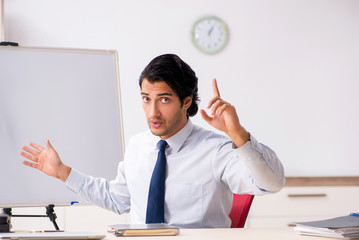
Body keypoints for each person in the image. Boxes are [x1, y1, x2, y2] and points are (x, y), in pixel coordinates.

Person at [21, 54, 285, 228]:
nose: (152, 112)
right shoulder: (138, 146)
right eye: (146, 98)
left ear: (187, 101)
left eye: (164, 99)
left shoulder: (216, 149)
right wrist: (63, 173)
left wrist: (237, 133)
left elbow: (271, 183)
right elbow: (118, 200)